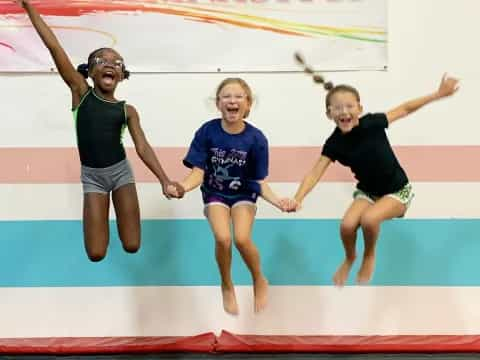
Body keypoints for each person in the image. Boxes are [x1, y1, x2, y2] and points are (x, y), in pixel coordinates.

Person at [15, 0, 183, 261]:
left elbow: (142, 147)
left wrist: (164, 180)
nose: (109, 64)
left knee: (132, 245)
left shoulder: (127, 110)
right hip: (92, 177)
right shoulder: (80, 93)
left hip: (120, 173)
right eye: (101, 60)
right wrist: (28, 7)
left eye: (116, 63)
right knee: (95, 253)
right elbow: (54, 46)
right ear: (90, 72)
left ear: (122, 75)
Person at [285, 74, 459, 285]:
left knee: (369, 219)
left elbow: (404, 109)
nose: (344, 112)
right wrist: (298, 198)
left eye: (349, 106)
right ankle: (350, 258)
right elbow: (315, 173)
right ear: (329, 114)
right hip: (367, 192)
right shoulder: (334, 143)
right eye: (337, 108)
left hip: (397, 191)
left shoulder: (372, 124)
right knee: (347, 226)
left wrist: (438, 94)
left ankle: (369, 255)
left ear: (360, 108)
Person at [169, 78, 286, 314]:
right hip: (214, 194)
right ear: (218, 103)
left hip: (244, 193)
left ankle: (258, 279)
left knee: (242, 239)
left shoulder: (256, 139)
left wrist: (278, 202)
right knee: (223, 239)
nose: (232, 101)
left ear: (248, 104)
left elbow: (259, 181)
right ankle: (226, 283)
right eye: (226, 96)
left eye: (238, 96)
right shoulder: (207, 132)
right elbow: (197, 173)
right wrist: (181, 187)